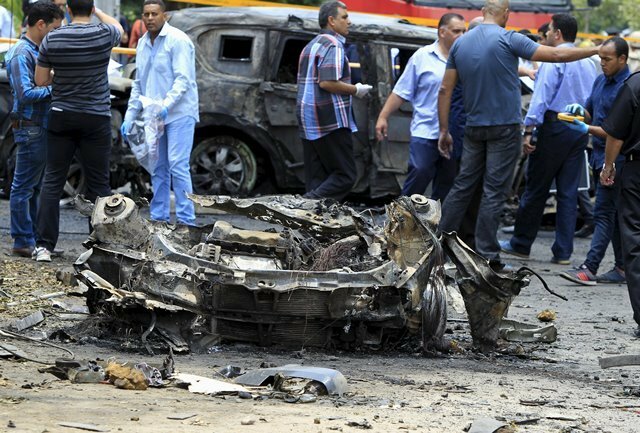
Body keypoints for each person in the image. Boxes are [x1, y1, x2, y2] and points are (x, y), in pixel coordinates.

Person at [437, 0, 599, 269]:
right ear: (506, 14)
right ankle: (487, 255)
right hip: (504, 126)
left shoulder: (461, 44)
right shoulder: (508, 38)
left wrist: (444, 129)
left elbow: (445, 89)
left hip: (474, 126)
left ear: (483, 12)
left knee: (463, 185)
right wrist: (595, 48)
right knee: (493, 191)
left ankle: (438, 246)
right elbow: (557, 55)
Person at [500, 13, 596, 265]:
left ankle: (521, 244)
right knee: (568, 192)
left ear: (557, 34)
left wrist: (529, 130)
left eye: (550, 30)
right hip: (578, 128)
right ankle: (563, 252)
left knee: (536, 188)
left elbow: (541, 97)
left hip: (555, 127)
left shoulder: (553, 61)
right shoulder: (589, 61)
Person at [33, 0, 124, 262]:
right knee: (99, 184)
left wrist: (59, 77)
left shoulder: (52, 38)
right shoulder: (104, 34)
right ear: (91, 9)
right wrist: (97, 12)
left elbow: (40, 81)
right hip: (95, 118)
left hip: (62, 115)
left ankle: (44, 247)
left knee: (52, 181)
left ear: (69, 10)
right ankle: (98, 248)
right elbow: (118, 27)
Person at [559, 37, 630, 285]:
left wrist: (586, 128)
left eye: (608, 59)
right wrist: (580, 113)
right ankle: (622, 268)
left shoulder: (627, 88)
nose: (603, 64)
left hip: (617, 159)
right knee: (615, 214)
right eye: (601, 58)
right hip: (600, 156)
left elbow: (615, 132)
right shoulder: (601, 80)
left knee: (602, 214)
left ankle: (589, 267)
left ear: (623, 59)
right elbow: (591, 111)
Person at [122, 0, 199, 225]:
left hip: (179, 112)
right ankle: (159, 218)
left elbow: (183, 79)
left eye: (154, 13)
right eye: (146, 14)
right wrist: (129, 115)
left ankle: (187, 220)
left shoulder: (178, 40)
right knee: (158, 167)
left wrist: (166, 105)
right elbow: (139, 83)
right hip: (155, 115)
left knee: (178, 164)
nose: (149, 18)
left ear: (164, 15)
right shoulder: (143, 43)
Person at [375, 13, 466, 200]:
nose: (462, 36)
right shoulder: (422, 57)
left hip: (455, 132)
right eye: (457, 31)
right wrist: (383, 116)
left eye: (464, 31)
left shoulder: (466, 59)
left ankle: (437, 226)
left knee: (448, 185)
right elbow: (402, 91)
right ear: (442, 32)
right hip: (425, 130)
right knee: (419, 173)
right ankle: (401, 221)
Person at [296, 1, 372, 201]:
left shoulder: (311, 45)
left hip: (309, 119)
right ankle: (305, 204)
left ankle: (312, 224)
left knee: (318, 178)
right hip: (329, 119)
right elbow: (327, 82)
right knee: (345, 175)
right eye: (344, 17)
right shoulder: (334, 45)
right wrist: (356, 90)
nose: (349, 22)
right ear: (331, 20)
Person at [5, 1, 63, 258]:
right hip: (31, 127)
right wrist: (56, 88)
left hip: (38, 126)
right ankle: (22, 240)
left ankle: (33, 239)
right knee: (23, 187)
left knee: (35, 186)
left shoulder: (35, 50)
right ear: (41, 24)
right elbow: (25, 94)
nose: (56, 34)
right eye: (54, 28)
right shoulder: (22, 53)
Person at [600, 70, 640, 337]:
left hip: (637, 172)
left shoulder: (635, 84)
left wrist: (609, 165)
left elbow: (616, 134)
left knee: (635, 242)